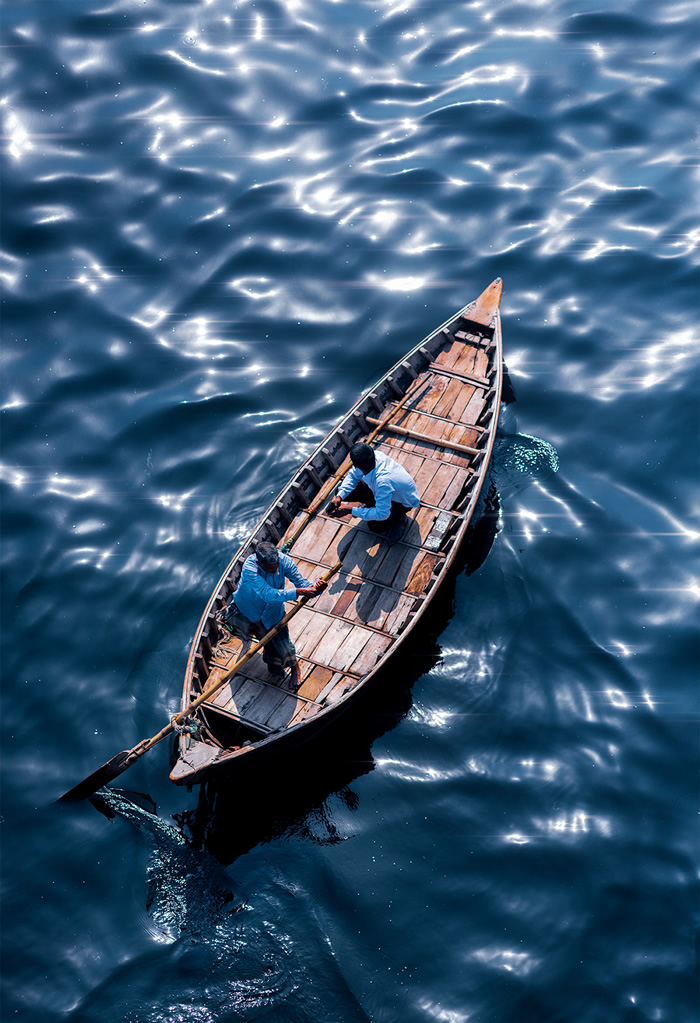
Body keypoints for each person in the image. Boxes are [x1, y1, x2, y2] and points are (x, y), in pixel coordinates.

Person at [225, 541, 326, 690]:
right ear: (260, 563)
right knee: (239, 627)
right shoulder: (250, 568)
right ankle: (248, 637)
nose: (275, 569)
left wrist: (316, 588)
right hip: (247, 608)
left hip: (272, 614)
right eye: (270, 569)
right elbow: (267, 594)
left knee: (284, 645)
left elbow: (301, 582)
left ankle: (294, 668)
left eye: (276, 566)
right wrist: (298, 592)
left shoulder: (285, 561)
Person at [328, 442, 419, 540]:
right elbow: (353, 476)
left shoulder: (383, 482)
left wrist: (350, 510)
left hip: (401, 502)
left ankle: (400, 518)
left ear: (355, 464)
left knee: (375, 526)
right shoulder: (373, 456)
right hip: (383, 491)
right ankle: (372, 504)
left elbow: (382, 514)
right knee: (340, 490)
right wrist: (339, 496)